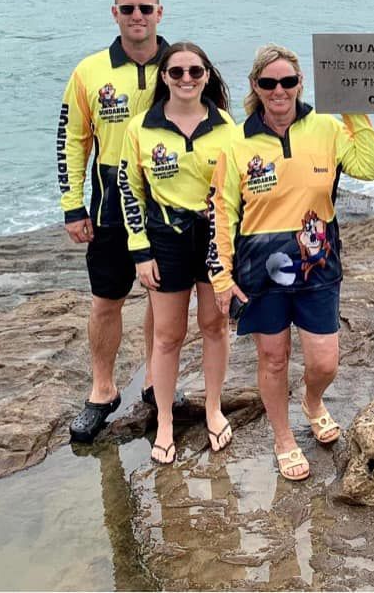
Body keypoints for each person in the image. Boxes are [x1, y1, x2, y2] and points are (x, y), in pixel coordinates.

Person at [208, 44, 374, 481]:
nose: (279, 90)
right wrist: (220, 276)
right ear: (255, 86)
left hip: (318, 263)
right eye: (269, 82)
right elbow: (222, 211)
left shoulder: (325, 127)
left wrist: (351, 106)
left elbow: (370, 166)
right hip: (258, 269)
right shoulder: (236, 141)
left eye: (288, 81)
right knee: (273, 358)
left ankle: (312, 401)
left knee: (324, 362)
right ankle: (283, 438)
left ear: (300, 83)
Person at [57, 0, 178, 443]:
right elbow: (72, 139)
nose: (137, 17)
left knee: (162, 296)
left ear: (160, 13)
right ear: (115, 13)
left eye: (146, 8)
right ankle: (102, 390)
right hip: (110, 202)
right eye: (128, 9)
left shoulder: (182, 65)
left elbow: (215, 129)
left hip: (168, 201)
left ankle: (155, 381)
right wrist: (72, 205)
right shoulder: (90, 72)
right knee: (107, 299)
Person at [118, 42, 236, 464]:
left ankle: (213, 409)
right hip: (165, 238)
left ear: (207, 76)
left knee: (214, 325)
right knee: (168, 336)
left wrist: (234, 249)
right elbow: (129, 191)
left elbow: (236, 190)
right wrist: (140, 250)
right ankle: (165, 421)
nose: (187, 79)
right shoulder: (141, 128)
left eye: (195, 72)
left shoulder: (226, 125)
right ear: (164, 77)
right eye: (177, 72)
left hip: (213, 237)